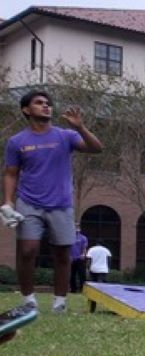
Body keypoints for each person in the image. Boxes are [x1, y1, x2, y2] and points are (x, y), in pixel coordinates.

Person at [1, 90, 103, 313]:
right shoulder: (17, 141)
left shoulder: (65, 135)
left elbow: (97, 148)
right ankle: (28, 300)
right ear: (26, 110)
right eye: (39, 103)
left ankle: (60, 302)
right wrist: (7, 202)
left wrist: (80, 128)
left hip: (61, 204)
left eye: (48, 103)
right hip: (28, 202)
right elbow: (10, 173)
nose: (46, 106)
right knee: (27, 250)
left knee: (62, 254)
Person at [85, 242, 112, 313]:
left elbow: (88, 260)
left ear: (96, 244)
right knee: (102, 288)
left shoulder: (91, 249)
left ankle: (92, 308)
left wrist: (87, 269)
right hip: (103, 270)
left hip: (93, 270)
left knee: (93, 289)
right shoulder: (106, 250)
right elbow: (109, 260)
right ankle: (109, 303)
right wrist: (108, 268)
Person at [69, 224, 88, 293]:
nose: (76, 229)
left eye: (77, 227)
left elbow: (84, 247)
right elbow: (68, 248)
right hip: (72, 259)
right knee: (72, 275)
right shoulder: (70, 237)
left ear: (79, 228)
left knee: (82, 275)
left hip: (80, 259)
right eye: (75, 227)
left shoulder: (83, 238)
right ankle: (73, 289)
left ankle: (82, 289)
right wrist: (69, 256)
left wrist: (83, 254)